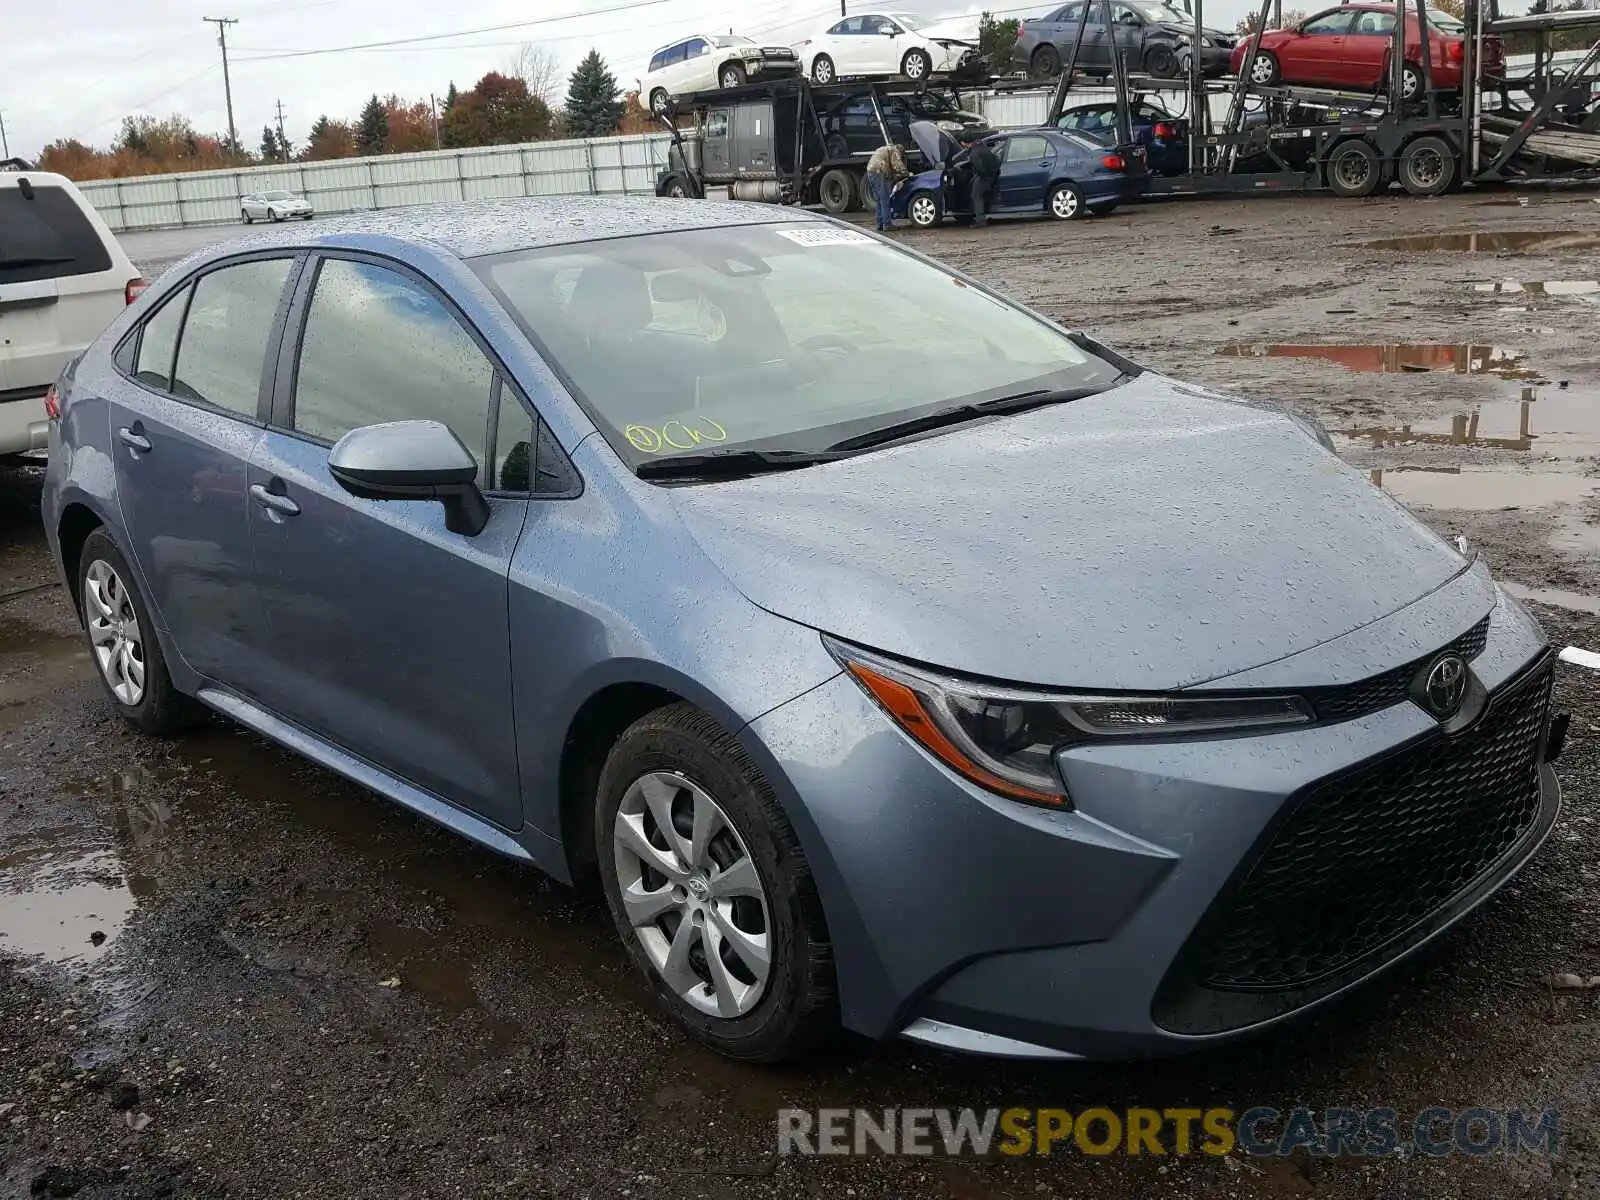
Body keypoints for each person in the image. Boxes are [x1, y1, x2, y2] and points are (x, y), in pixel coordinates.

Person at [864, 142, 909, 232]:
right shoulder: (894, 150)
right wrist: (906, 173)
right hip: (879, 171)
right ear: (901, 151)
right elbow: (897, 165)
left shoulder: (884, 148)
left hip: (870, 172)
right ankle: (887, 224)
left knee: (879, 199)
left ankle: (880, 224)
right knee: (885, 199)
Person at [963, 131, 1001, 228]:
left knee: (976, 196)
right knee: (978, 194)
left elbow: (980, 168)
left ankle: (980, 221)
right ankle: (981, 216)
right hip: (992, 174)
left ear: (965, 142)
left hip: (985, 177)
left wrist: (980, 176)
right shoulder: (981, 146)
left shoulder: (974, 153)